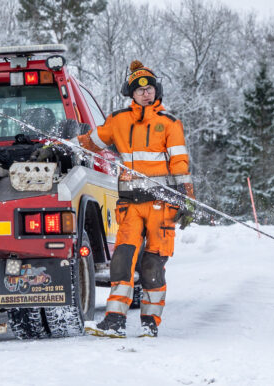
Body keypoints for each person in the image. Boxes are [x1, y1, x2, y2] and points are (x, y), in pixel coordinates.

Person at [77, 60, 195, 338]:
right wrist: (60, 143)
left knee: (152, 266)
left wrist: (186, 199)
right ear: (130, 93)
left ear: (157, 91)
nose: (146, 93)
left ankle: (149, 323)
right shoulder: (118, 121)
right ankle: (114, 322)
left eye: (150, 88)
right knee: (121, 261)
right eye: (139, 89)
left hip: (161, 206)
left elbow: (179, 162)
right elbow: (90, 142)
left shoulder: (169, 123)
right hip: (130, 206)